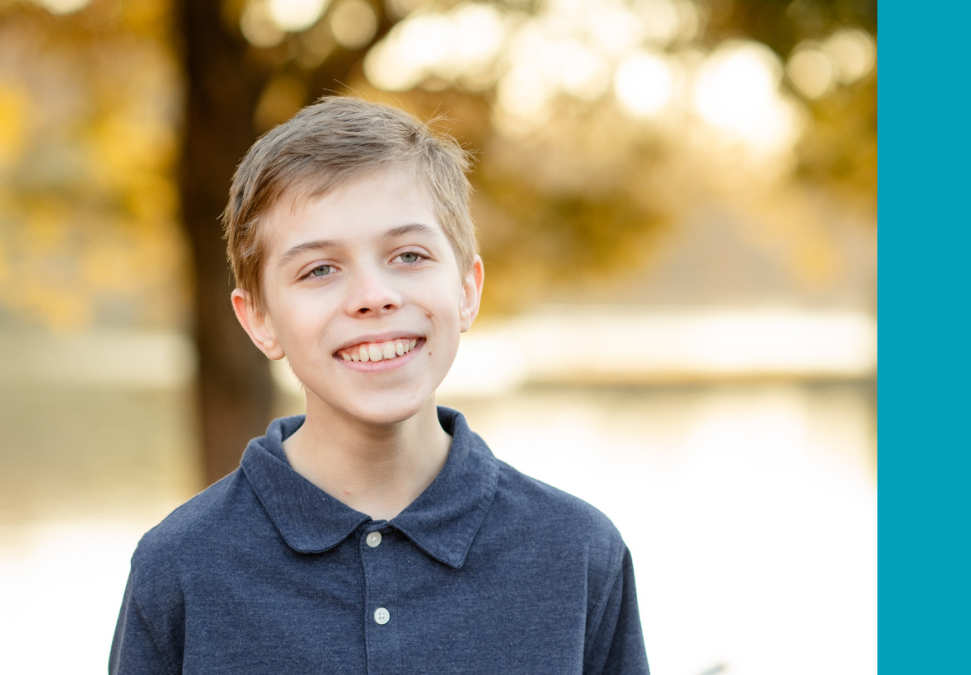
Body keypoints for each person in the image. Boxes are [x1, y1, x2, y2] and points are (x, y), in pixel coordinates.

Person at [110, 96, 649, 674]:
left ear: (467, 289)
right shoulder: (179, 568)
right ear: (260, 320)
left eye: (409, 255)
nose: (374, 295)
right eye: (320, 269)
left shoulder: (579, 553)